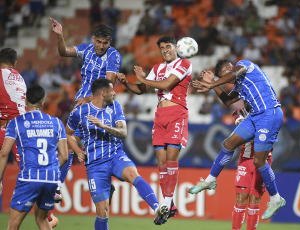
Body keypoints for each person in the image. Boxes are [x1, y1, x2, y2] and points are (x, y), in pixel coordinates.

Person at [65, 78, 169, 228]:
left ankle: (157, 208)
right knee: (102, 211)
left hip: (115, 156)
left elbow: (123, 132)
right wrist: (77, 150)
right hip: (95, 165)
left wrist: (103, 126)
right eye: (112, 90)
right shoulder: (79, 112)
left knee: (134, 174)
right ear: (103, 93)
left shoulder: (115, 107)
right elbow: (68, 134)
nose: (114, 93)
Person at [191, 59, 286, 220]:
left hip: (269, 113)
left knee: (259, 161)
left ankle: (276, 198)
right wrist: (213, 84)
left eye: (224, 76)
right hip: (256, 116)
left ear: (229, 67)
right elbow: (228, 101)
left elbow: (234, 73)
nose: (228, 81)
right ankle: (210, 180)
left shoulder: (245, 65)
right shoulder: (239, 85)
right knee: (228, 144)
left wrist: (212, 84)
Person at [117, 35, 193, 220]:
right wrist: (127, 82)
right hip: (159, 116)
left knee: (172, 157)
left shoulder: (184, 64)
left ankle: (166, 204)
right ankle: (169, 204)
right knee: (161, 161)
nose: (165, 50)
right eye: (162, 48)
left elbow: (167, 84)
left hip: (177, 113)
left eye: (168, 46)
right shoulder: (157, 68)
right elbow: (142, 89)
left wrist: (143, 78)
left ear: (175, 47)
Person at [50, 17, 121, 205]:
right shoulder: (86, 49)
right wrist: (60, 36)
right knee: (69, 142)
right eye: (98, 41)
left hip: (99, 107)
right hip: (82, 106)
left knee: (92, 146)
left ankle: (59, 185)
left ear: (110, 43)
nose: (101, 46)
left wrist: (88, 99)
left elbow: (109, 84)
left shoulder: (113, 55)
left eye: (105, 43)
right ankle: (56, 187)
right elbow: (64, 51)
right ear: (93, 39)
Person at [188, 106, 273, 230]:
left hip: (262, 161)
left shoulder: (269, 112)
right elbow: (239, 126)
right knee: (240, 198)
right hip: (245, 159)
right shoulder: (240, 113)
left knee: (254, 200)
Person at [0, 85, 68, 230]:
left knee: (13, 223)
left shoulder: (16, 123)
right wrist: (51, 171)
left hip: (29, 178)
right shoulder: (57, 122)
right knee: (42, 220)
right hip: (50, 179)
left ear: (25, 101)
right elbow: (64, 156)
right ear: (43, 103)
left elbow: (4, 153)